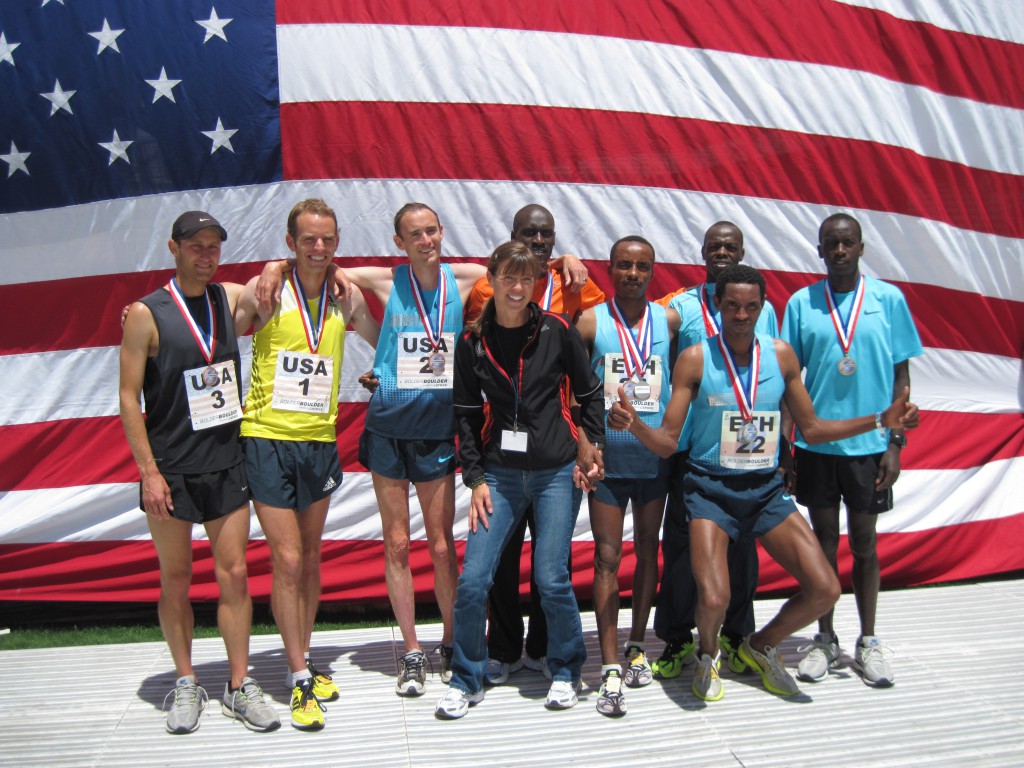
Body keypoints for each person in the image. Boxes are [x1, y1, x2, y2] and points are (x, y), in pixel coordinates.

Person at [609, 264, 918, 702]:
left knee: (826, 589)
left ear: (762, 308)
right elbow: (668, 443)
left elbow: (810, 429)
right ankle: (708, 653)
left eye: (751, 307)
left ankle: (760, 645)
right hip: (709, 487)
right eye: (732, 305)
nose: (740, 315)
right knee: (714, 600)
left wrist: (878, 422)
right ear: (717, 305)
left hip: (764, 489)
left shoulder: (782, 355)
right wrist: (635, 424)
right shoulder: (695, 358)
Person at [345, 203, 589, 697]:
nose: (426, 239)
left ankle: (508, 654)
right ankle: (445, 656)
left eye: (432, 230)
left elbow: (525, 268)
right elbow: (326, 268)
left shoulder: (507, 299)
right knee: (436, 559)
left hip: (504, 451)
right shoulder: (410, 295)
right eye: (414, 233)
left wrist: (569, 256)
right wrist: (274, 267)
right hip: (432, 442)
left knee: (513, 567)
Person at [119, 211, 280, 734]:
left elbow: (280, 277)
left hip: (225, 462)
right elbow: (127, 396)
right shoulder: (147, 312)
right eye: (196, 246)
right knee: (177, 577)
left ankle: (238, 684)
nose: (206, 255)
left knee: (234, 574)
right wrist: (148, 472)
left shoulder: (228, 297)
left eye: (213, 247)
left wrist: (280, 261)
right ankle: (186, 682)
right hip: (169, 469)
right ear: (173, 247)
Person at [435, 241, 606, 719]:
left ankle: (567, 668)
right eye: (507, 277)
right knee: (473, 582)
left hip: (556, 472)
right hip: (500, 478)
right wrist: (475, 480)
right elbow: (466, 418)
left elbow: (591, 394)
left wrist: (591, 445)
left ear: (536, 284)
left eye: (526, 279)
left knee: (551, 578)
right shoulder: (471, 342)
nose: (516, 288)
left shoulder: (556, 330)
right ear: (491, 279)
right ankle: (466, 678)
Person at [240, 199, 378, 730]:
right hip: (267, 438)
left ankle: (304, 653)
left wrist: (387, 376)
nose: (318, 249)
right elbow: (216, 306)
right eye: (307, 240)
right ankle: (297, 676)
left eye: (327, 240)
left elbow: (381, 341)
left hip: (319, 441)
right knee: (289, 561)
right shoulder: (267, 290)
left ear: (336, 242)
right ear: (290, 242)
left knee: (312, 558)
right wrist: (140, 315)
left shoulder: (346, 296)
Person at [782, 213, 922, 687]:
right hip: (818, 446)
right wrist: (787, 446)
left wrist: (896, 443)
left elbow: (902, 376)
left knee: (865, 544)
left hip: (870, 448)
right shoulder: (802, 303)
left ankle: (868, 640)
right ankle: (825, 639)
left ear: (862, 248)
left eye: (847, 243)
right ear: (819, 251)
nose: (839, 251)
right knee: (821, 547)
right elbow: (789, 379)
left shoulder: (888, 300)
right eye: (830, 244)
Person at [651, 221, 780, 680]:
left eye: (731, 247)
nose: (722, 252)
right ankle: (676, 637)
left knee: (743, 547)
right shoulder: (681, 306)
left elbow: (773, 381)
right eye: (715, 247)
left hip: (751, 448)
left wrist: (785, 454)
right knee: (683, 546)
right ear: (702, 253)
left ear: (742, 252)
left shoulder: (761, 307)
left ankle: (735, 634)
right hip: (692, 447)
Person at [574, 236, 680, 716]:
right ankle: (610, 665)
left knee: (649, 550)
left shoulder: (671, 321)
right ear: (610, 270)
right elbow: (569, 388)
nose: (633, 273)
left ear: (652, 271)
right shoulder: (592, 322)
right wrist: (584, 440)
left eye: (641, 266)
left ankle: (638, 643)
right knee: (607, 559)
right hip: (609, 466)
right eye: (623, 265)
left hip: (653, 461)